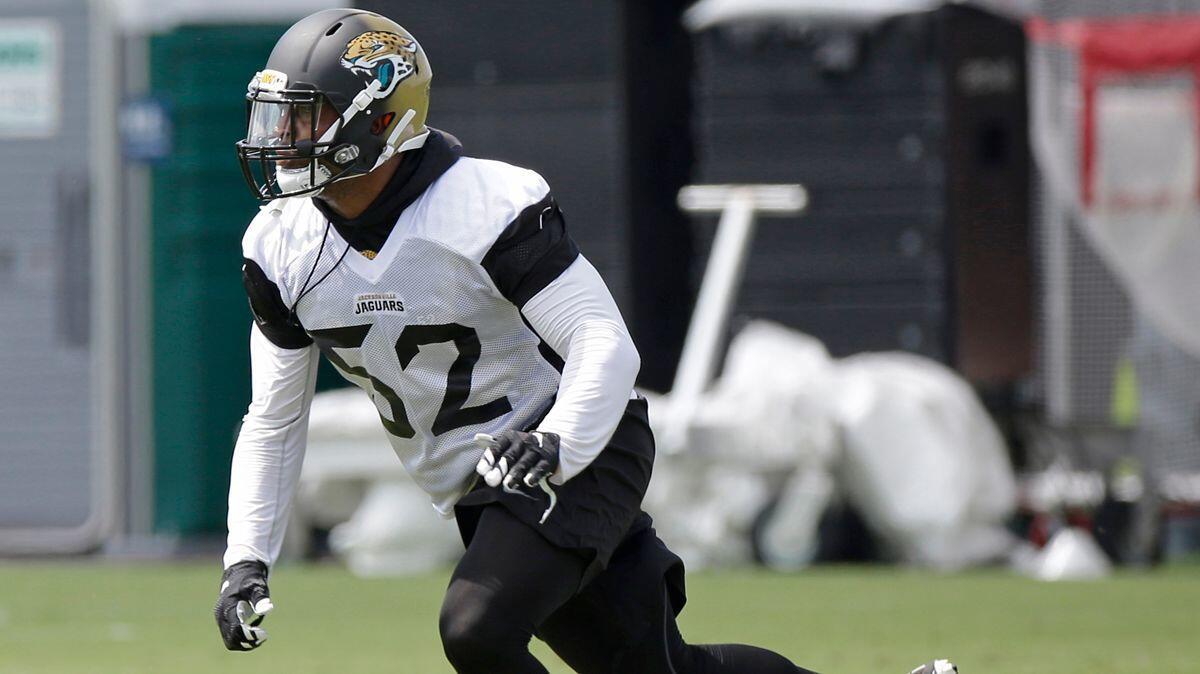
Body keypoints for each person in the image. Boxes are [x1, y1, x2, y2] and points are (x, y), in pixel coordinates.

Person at [215, 8, 955, 674]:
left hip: (579, 444)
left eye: (307, 119)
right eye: (281, 119)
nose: (282, 140)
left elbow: (604, 342)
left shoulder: (481, 207)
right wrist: (247, 558)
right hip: (484, 486)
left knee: (475, 628)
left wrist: (559, 440)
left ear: (378, 121)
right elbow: (275, 417)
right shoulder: (282, 247)